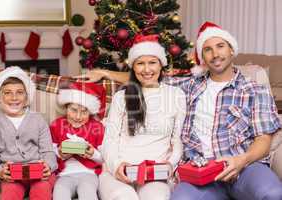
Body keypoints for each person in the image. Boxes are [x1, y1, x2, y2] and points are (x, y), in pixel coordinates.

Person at [84, 22, 282, 200]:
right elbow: (147, 76)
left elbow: (264, 140)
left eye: (220, 46)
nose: (215, 54)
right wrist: (104, 72)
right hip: (199, 169)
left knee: (272, 193)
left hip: (243, 166)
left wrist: (241, 160)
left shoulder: (256, 90)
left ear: (231, 50)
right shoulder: (188, 85)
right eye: (207, 49)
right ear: (202, 57)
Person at [99, 34, 186, 200]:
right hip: (118, 172)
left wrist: (170, 164)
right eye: (140, 63)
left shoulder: (176, 95)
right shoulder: (121, 97)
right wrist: (116, 166)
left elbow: (178, 141)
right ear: (133, 67)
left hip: (155, 174)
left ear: (161, 65)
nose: (147, 70)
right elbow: (109, 139)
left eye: (152, 62)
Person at [0, 66, 57, 200]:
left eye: (19, 92)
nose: (14, 97)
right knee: (9, 194)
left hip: (39, 174)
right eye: (7, 92)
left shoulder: (38, 119)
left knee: (42, 190)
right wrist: (0, 172)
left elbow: (48, 152)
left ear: (26, 97)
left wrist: (48, 166)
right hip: (12, 177)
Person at [50, 82, 105, 200]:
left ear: (90, 111)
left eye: (84, 112)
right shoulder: (56, 125)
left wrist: (92, 154)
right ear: (66, 107)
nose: (78, 117)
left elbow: (104, 159)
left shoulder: (98, 127)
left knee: (88, 194)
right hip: (63, 175)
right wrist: (60, 154)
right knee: (59, 194)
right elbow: (49, 154)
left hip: (88, 174)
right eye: (74, 110)